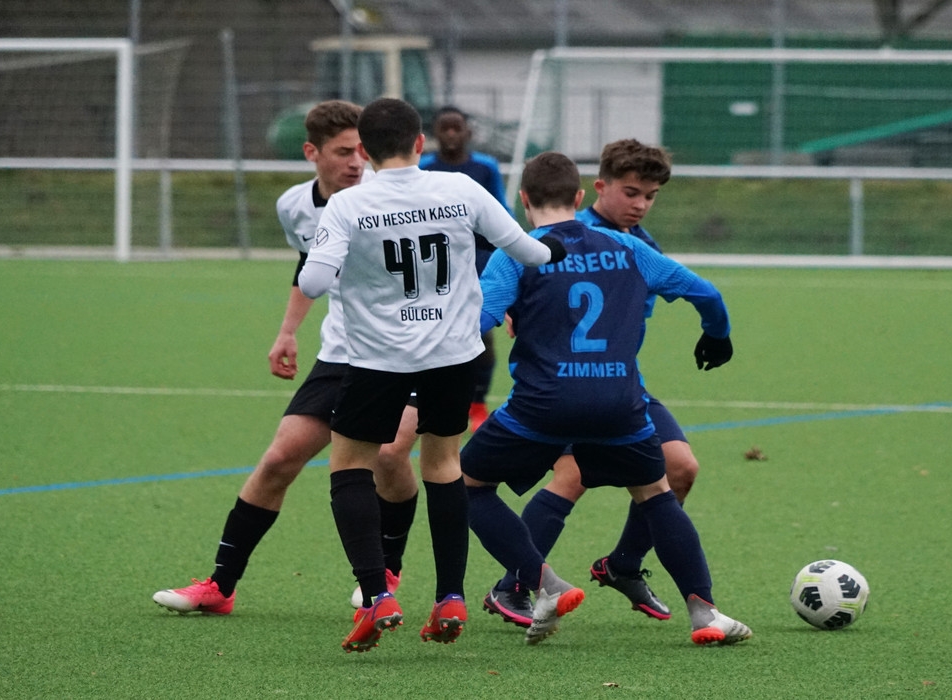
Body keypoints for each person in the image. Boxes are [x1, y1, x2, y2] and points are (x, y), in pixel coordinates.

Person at [297, 98, 566, 653]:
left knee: (350, 466)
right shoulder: (460, 190)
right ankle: (450, 597)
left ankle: (378, 595)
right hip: (453, 356)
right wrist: (552, 249)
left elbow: (315, 283)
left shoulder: (348, 204)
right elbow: (529, 252)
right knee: (443, 466)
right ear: (420, 143)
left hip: (376, 360)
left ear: (364, 150)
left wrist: (333, 259)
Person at [462, 150, 751, 646]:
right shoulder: (630, 247)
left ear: (524, 199)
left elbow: (479, 322)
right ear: (580, 196)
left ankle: (541, 582)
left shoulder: (518, 253)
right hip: (620, 402)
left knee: (466, 483)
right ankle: (705, 613)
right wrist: (716, 334)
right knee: (656, 494)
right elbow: (706, 293)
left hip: (543, 405)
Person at [152, 100, 420, 617]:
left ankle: (387, 570)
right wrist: (288, 331)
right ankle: (220, 586)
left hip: (407, 352)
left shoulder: (388, 197)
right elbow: (308, 266)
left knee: (389, 456)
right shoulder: (294, 206)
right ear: (311, 152)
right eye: (342, 152)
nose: (356, 162)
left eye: (361, 151)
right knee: (279, 459)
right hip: (342, 351)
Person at [482, 139, 695, 628]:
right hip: (564, 386)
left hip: (620, 385)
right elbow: (514, 293)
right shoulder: (561, 234)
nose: (640, 204)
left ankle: (622, 565)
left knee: (681, 468)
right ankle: (514, 585)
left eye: (651, 196)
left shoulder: (641, 244)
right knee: (572, 475)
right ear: (597, 189)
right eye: (631, 193)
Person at [419, 106, 512, 431]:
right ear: (434, 133)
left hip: (478, 264)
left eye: (456, 128)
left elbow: (501, 209)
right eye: (444, 128)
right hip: (434, 266)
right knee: (429, 330)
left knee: (481, 335)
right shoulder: (424, 168)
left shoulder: (485, 167)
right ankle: (429, 398)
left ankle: (477, 402)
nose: (451, 134)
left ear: (468, 132)